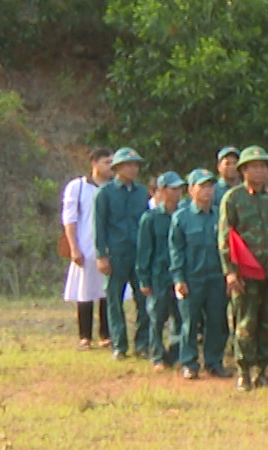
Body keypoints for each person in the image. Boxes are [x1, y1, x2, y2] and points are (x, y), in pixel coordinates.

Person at [220, 146, 268, 391]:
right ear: (243, 171)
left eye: (263, 166)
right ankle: (244, 372)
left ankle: (262, 371)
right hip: (246, 273)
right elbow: (225, 237)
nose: (259, 171)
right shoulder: (234, 198)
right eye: (254, 166)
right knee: (246, 323)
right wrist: (230, 271)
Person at [92, 147, 151, 360]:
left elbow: (147, 223)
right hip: (116, 253)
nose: (133, 169)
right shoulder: (104, 193)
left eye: (135, 165)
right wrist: (101, 255)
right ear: (117, 168)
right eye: (128, 165)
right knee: (114, 300)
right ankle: (119, 344)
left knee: (144, 298)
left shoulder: (142, 192)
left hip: (139, 253)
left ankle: (142, 343)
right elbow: (98, 226)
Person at [171, 170, 230, 380]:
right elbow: (176, 251)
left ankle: (214, 362)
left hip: (216, 278)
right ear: (191, 190)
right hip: (192, 279)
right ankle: (189, 363)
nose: (207, 191)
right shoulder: (181, 218)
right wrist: (178, 279)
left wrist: (229, 275)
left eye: (210, 186)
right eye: (202, 186)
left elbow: (228, 248)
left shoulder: (221, 216)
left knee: (216, 322)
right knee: (189, 323)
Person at [62, 148, 112, 349]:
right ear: (94, 163)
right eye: (106, 162)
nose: (110, 167)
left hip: (108, 248)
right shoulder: (78, 187)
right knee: (85, 292)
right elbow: (70, 218)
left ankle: (106, 334)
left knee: (107, 292)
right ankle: (85, 336)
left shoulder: (113, 188)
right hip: (85, 246)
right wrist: (74, 247)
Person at [136, 171, 185, 371]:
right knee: (157, 316)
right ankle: (157, 355)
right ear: (162, 191)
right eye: (173, 189)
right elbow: (144, 251)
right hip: (159, 275)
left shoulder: (184, 215)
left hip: (179, 275)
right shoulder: (150, 218)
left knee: (180, 316)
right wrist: (144, 279)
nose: (178, 193)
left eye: (180, 188)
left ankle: (174, 354)